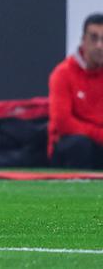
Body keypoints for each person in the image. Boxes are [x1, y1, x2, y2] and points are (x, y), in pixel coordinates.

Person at [48, 13, 103, 169]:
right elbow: (63, 123)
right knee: (80, 144)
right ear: (83, 40)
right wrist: (99, 135)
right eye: (94, 38)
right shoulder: (62, 74)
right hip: (69, 144)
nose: (99, 45)